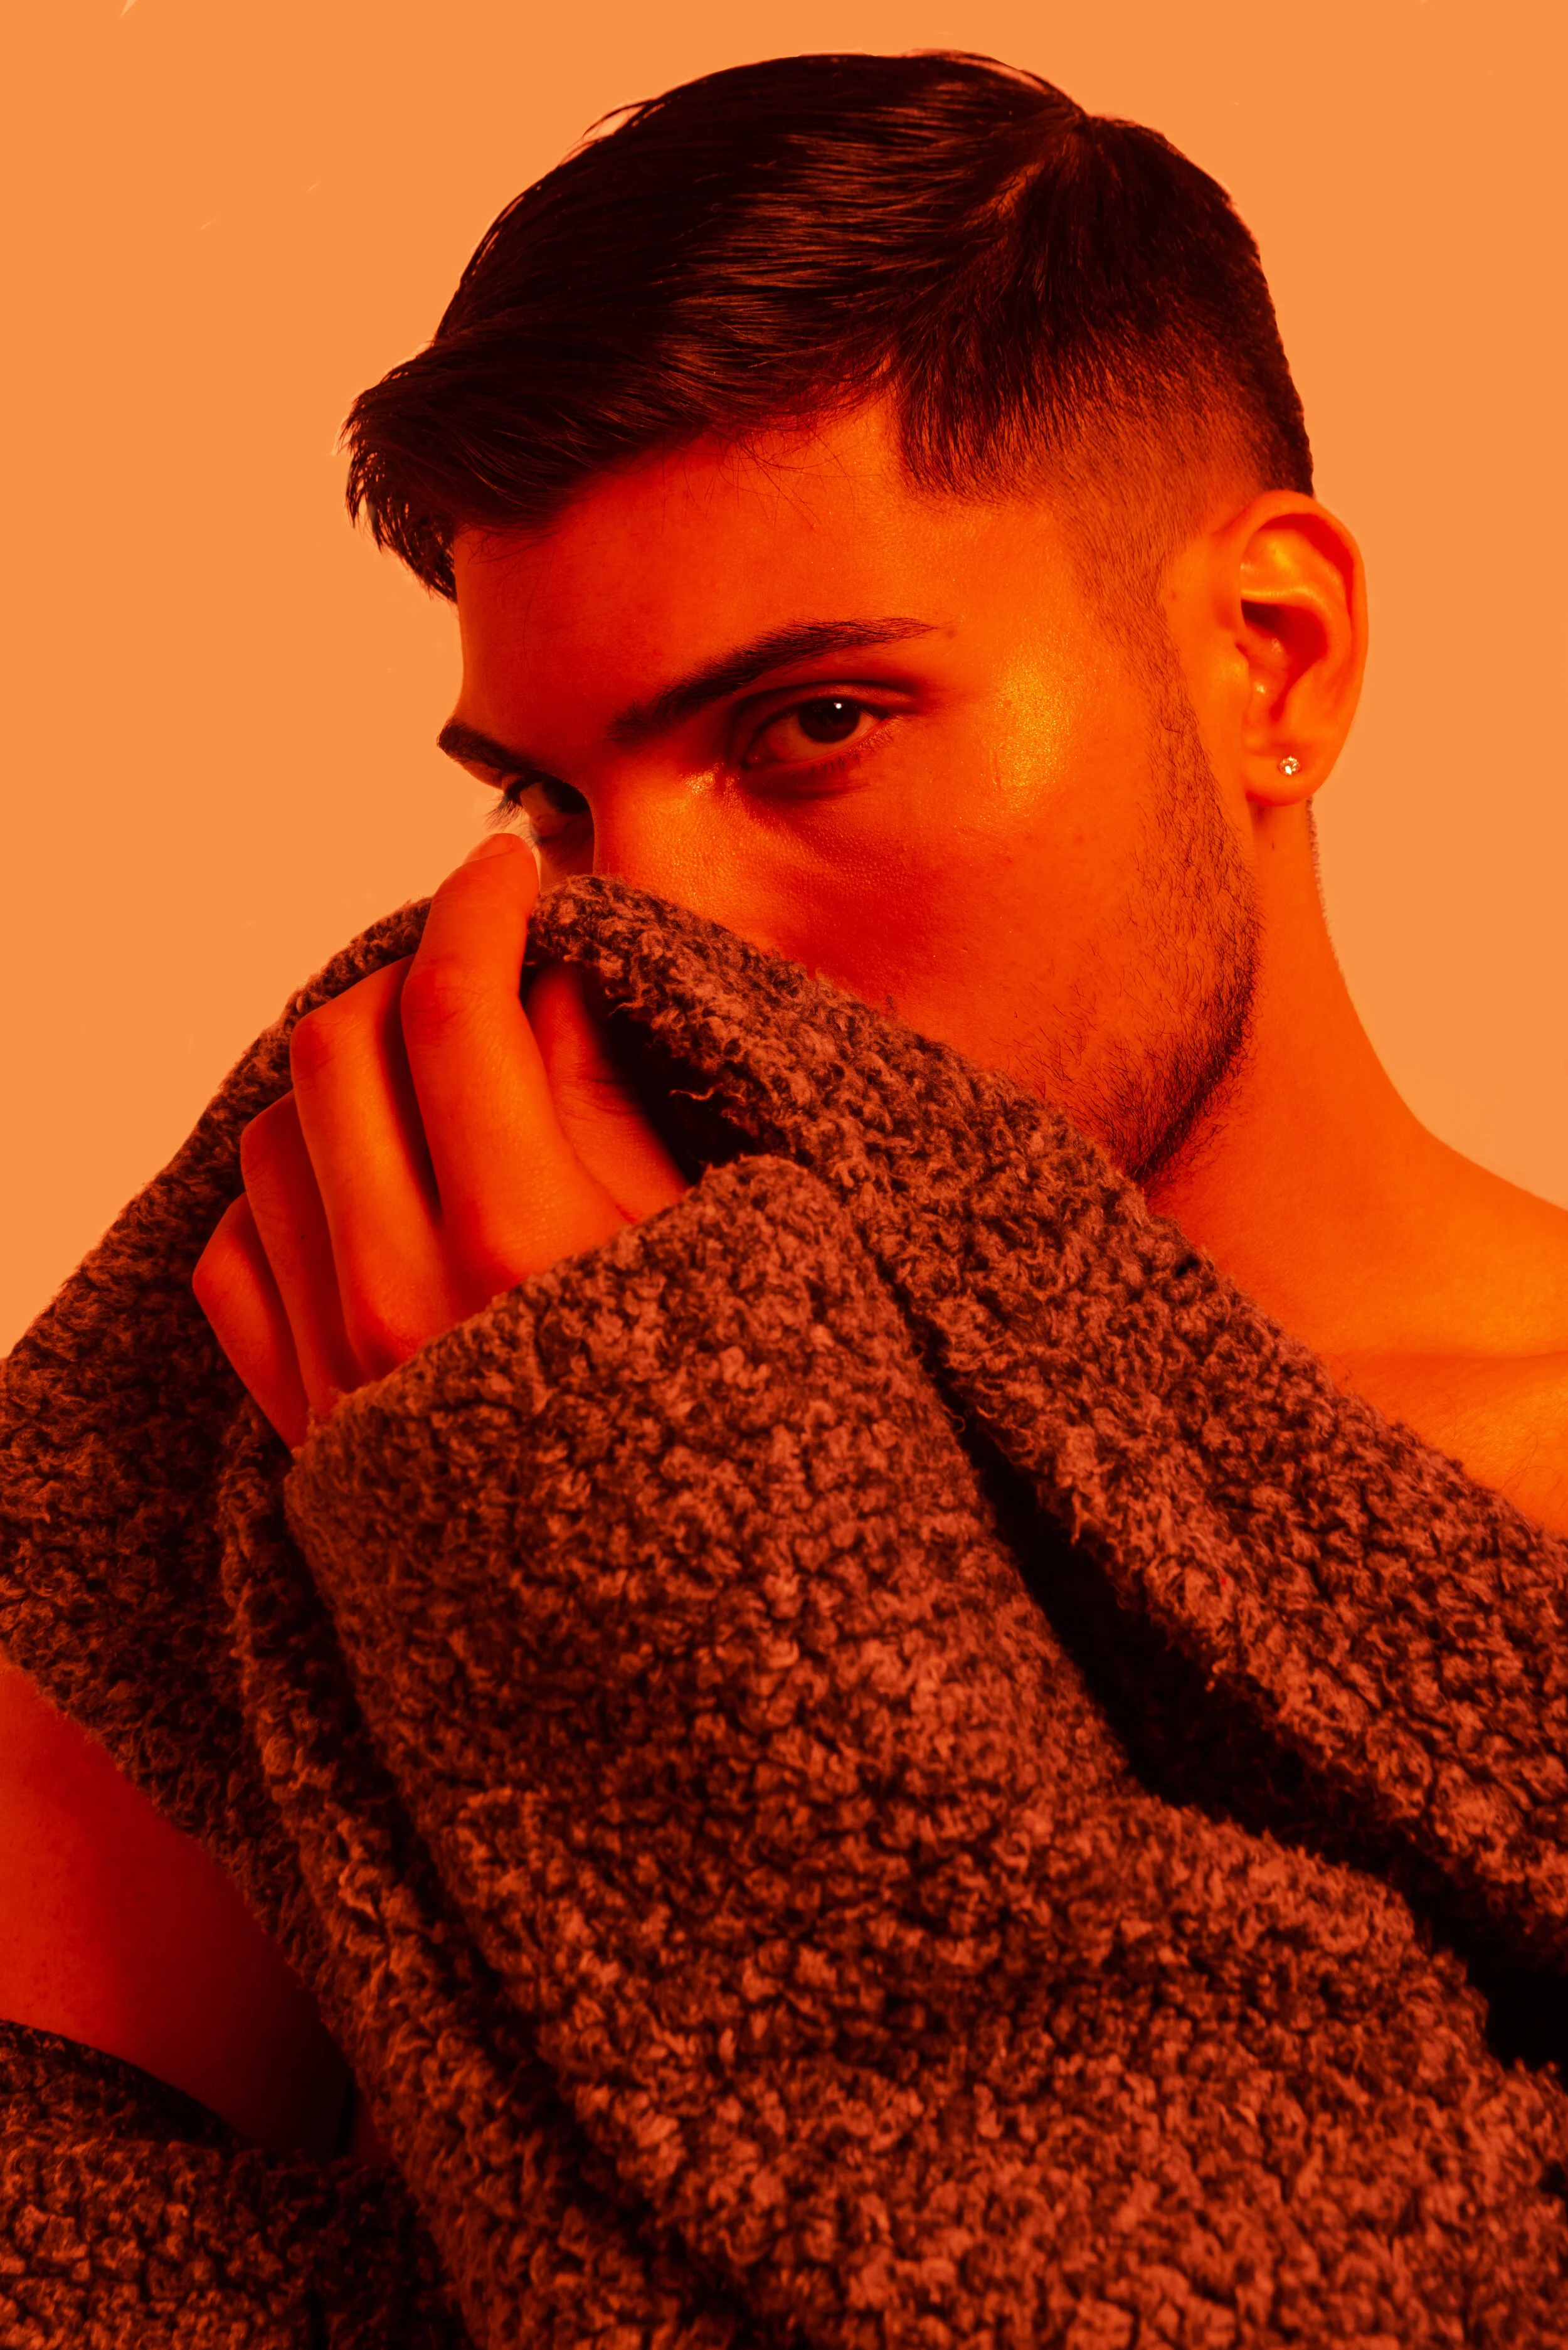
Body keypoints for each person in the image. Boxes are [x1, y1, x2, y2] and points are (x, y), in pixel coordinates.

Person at [4, 47, 1567, 2338]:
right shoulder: (364, 1385)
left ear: (1270, 658)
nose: (649, 932)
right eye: (553, 806)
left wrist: (647, 1559)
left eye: (809, 726)